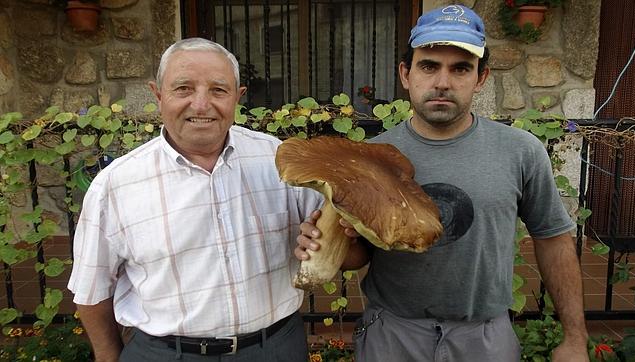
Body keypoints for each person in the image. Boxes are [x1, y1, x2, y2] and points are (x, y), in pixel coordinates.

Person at [296, 5, 589, 362]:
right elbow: (360, 256)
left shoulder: (520, 151)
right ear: (406, 73)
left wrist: (575, 337)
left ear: (481, 78)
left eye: (461, 68)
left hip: (484, 338)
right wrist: (331, 242)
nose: (442, 82)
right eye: (429, 66)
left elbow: (554, 240)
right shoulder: (370, 158)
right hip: (394, 335)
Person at [68, 38, 323, 361]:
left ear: (237, 97)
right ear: (158, 96)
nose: (201, 105)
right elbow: (92, 292)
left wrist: (318, 239)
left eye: (218, 90)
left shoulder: (281, 160)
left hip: (273, 348)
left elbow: (334, 241)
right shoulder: (115, 185)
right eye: (183, 89)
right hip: (164, 353)